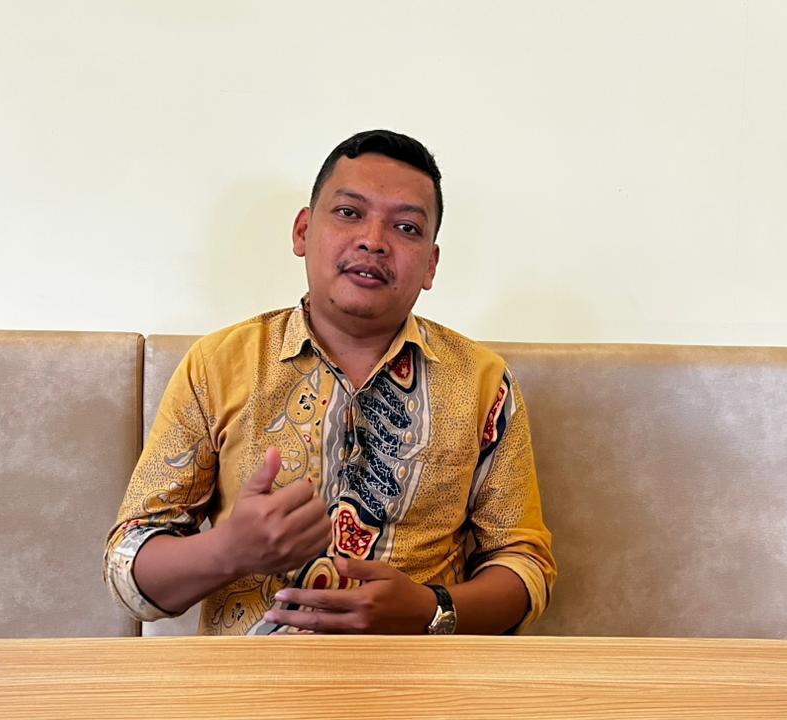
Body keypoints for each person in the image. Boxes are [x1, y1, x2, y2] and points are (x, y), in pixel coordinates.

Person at [104, 129, 555, 635]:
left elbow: (524, 565)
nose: (373, 240)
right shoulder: (218, 365)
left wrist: (430, 609)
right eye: (349, 212)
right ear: (302, 232)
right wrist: (229, 550)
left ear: (430, 265)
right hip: (249, 681)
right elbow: (127, 572)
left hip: (418, 677)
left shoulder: (482, 383)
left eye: (406, 227)